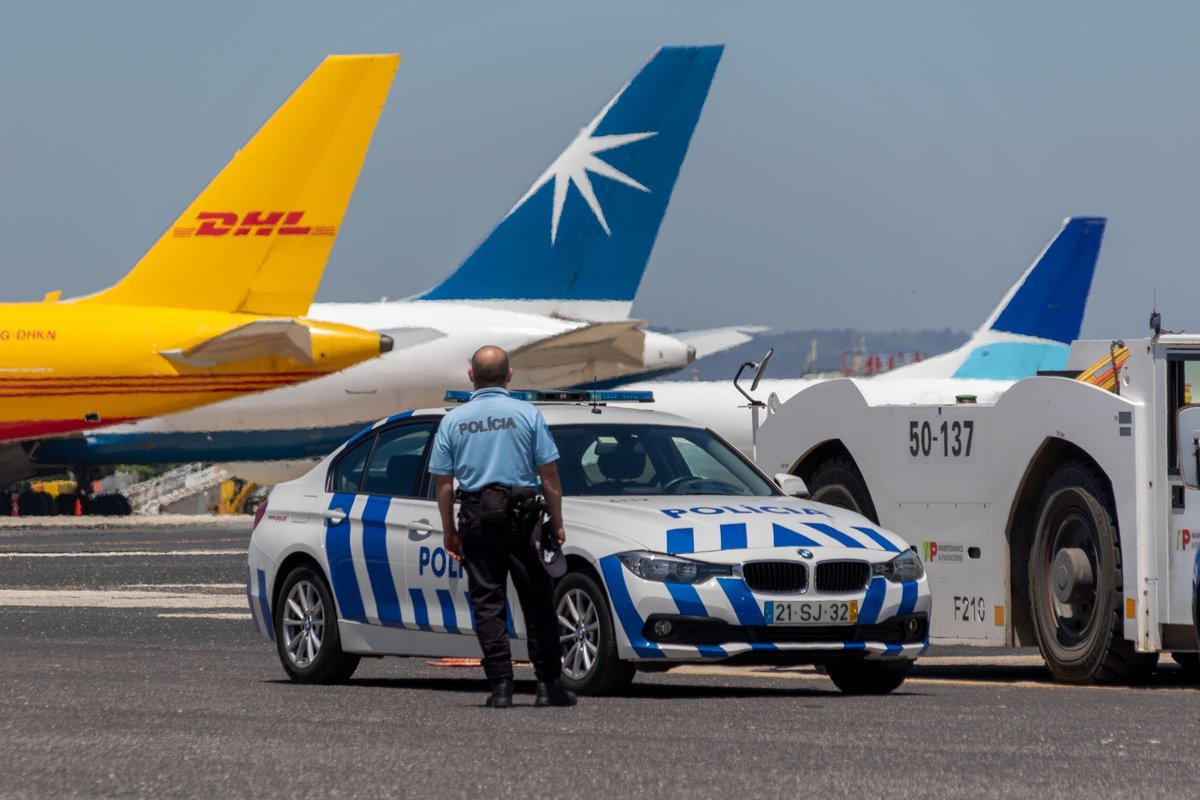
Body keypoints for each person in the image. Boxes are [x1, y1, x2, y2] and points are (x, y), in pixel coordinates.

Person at [428, 345, 576, 708]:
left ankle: (501, 687)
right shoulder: (527, 414)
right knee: (537, 601)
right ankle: (547, 685)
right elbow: (549, 472)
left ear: (471, 377)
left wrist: (449, 529)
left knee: (487, 603)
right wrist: (556, 523)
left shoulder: (453, 421)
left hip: (475, 515)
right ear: (509, 375)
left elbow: (444, 483)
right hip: (520, 515)